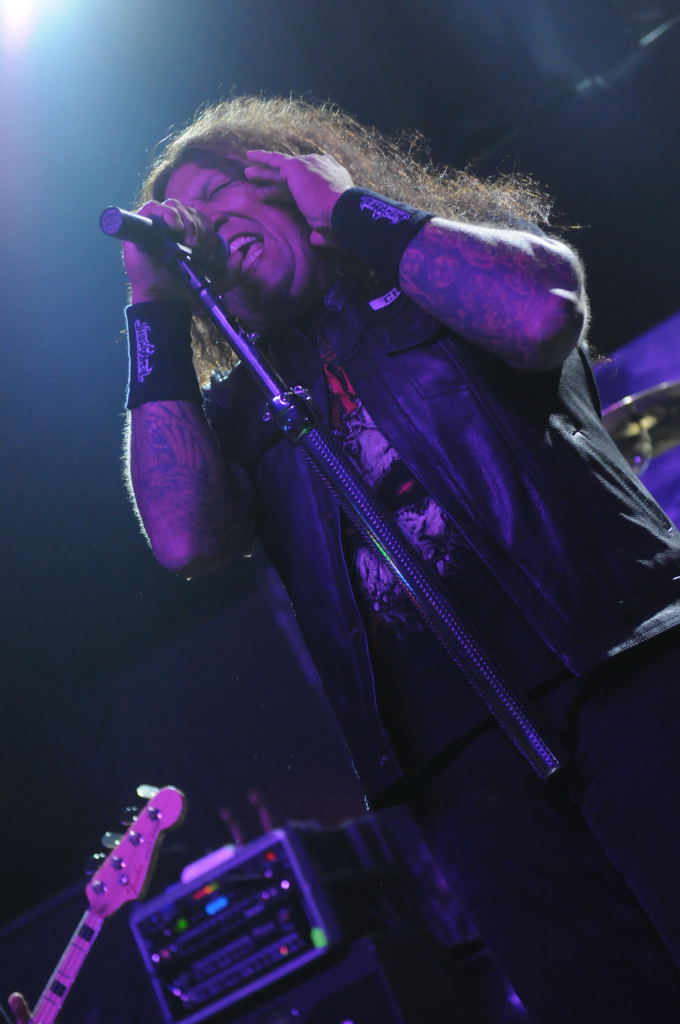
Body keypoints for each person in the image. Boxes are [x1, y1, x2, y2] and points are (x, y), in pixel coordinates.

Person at [16, 96, 680, 1023]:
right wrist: (152, 308)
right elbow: (184, 538)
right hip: (457, 764)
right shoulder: (241, 412)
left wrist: (352, 211)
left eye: (222, 191)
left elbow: (537, 316)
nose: (202, 224)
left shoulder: (441, 264)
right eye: (185, 221)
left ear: (296, 176)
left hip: (620, 667)